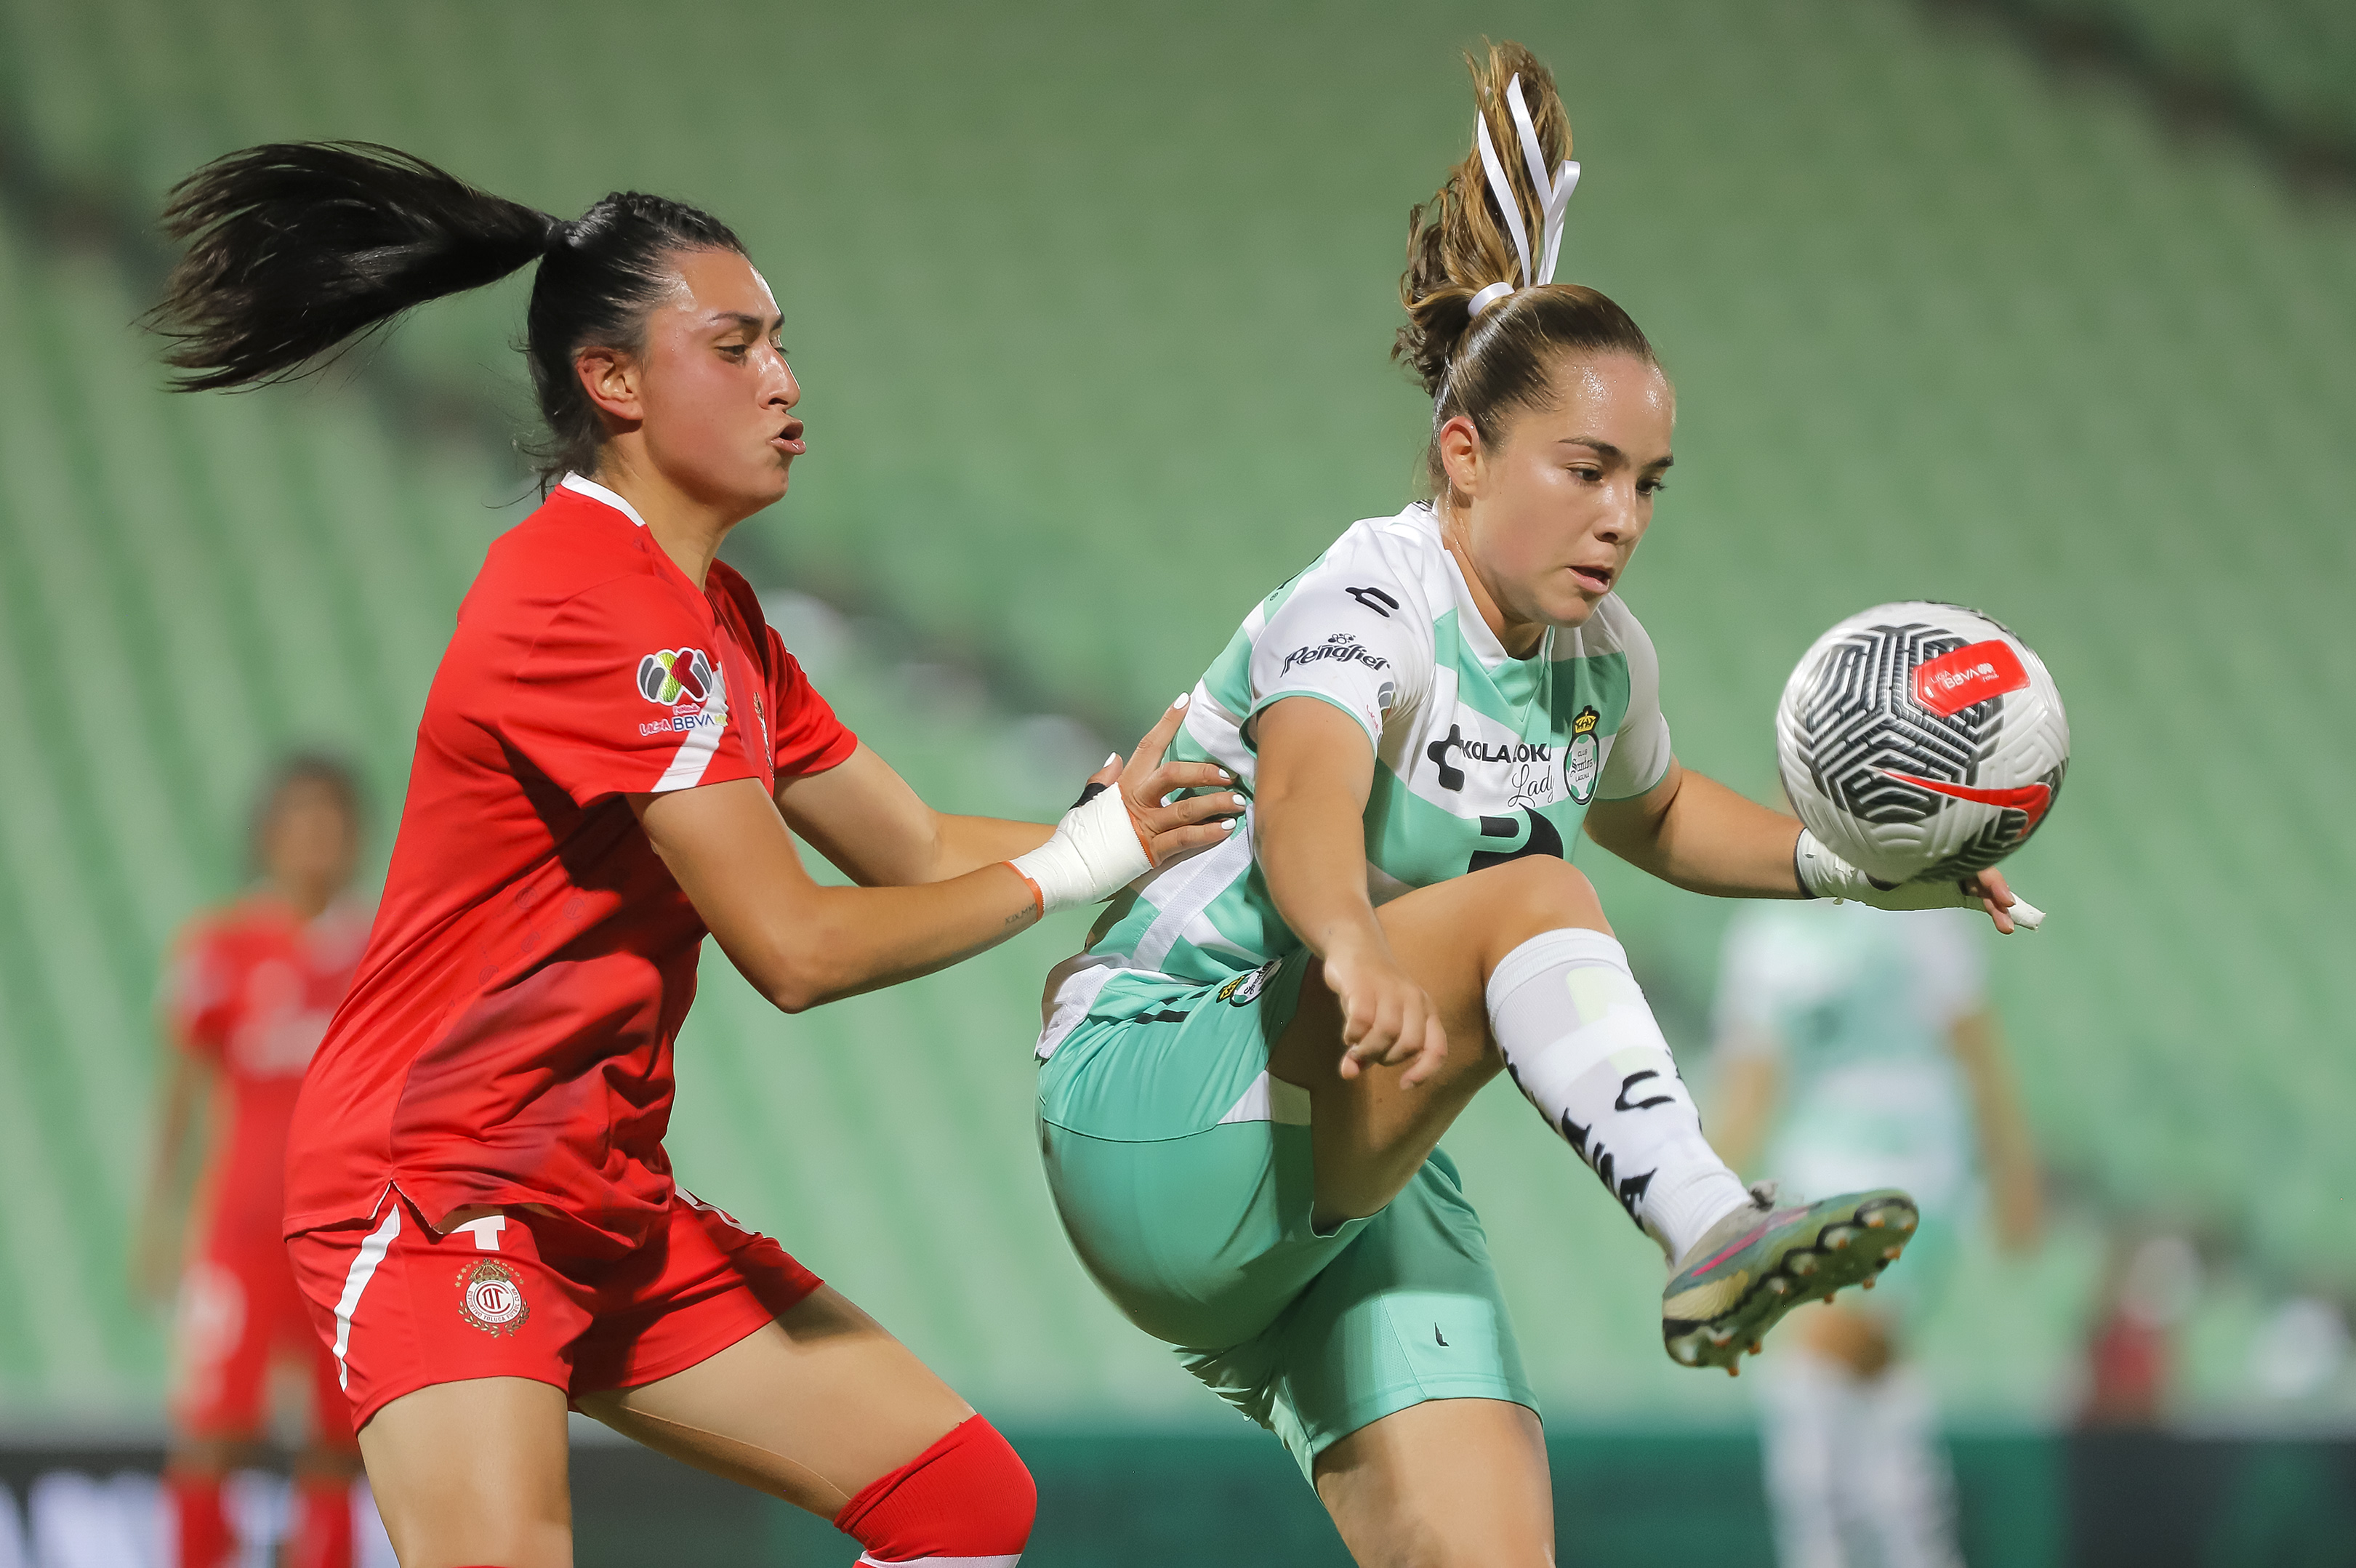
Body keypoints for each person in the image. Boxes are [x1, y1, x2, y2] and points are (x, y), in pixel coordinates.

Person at [153, 141, 1239, 1568]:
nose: (786, 381)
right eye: (736, 347)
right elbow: (792, 946)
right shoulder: (591, 606)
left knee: (959, 1504)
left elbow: (907, 842)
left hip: (596, 1197)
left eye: (782, 345)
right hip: (440, 1199)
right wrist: (1075, 866)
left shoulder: (710, 612)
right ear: (612, 382)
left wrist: (1146, 836)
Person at [1027, 43, 2036, 1565]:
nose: (1622, 515)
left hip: (1346, 1161)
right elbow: (1308, 793)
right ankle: (1710, 1218)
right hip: (1166, 1082)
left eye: (1648, 481)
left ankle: (1706, 1224)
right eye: (1586, 468)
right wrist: (1353, 944)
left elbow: (1659, 816)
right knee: (1533, 900)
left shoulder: (1596, 653)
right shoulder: (1367, 595)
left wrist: (1862, 864)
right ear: (1462, 454)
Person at [1709, 899, 2042, 1568]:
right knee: (1870, 1374)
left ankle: (1821, 1551)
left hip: (1914, 1159)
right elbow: (1753, 1077)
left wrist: (2012, 1167)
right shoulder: (1766, 934)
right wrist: (1698, 1194)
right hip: (1815, 1162)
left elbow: (1973, 1041)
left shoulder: (1916, 908)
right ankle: (1916, 1550)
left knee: (1820, 1357)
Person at [134, 755, 376, 1568]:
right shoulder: (222, 948)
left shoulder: (378, 951)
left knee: (336, 1444)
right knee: (211, 1431)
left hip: (345, 1235)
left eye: (333, 820)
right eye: (301, 819)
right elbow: (180, 1095)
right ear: (268, 836)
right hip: (238, 1231)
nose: (317, 838)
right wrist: (158, 1221)